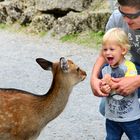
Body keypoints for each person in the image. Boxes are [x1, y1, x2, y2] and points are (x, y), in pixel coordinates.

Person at [90, 0, 140, 115]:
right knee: (106, 108)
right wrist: (94, 78)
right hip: (137, 66)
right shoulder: (117, 18)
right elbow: (104, 54)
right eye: (123, 14)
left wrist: (137, 81)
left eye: (132, 16)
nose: (126, 20)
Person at [99, 27, 140, 140]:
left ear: (123, 50)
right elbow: (102, 89)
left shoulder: (129, 67)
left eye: (112, 49)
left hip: (131, 117)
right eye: (105, 49)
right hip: (112, 117)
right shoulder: (105, 70)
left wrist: (110, 82)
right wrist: (104, 89)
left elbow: (127, 85)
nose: (107, 53)